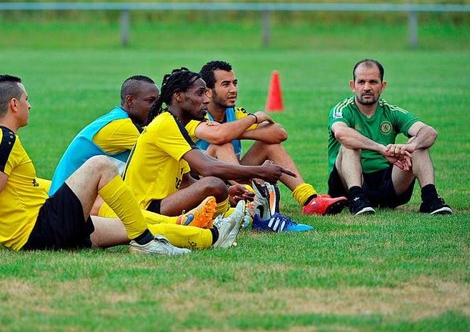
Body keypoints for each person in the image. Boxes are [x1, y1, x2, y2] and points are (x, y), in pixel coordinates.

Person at [0, 74, 243, 255]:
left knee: (132, 223)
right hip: (39, 229)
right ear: (14, 105)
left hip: (45, 228)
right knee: (100, 165)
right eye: (27, 100)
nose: (30, 106)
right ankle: (146, 243)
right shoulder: (3, 142)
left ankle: (211, 236)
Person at [112, 67, 299, 232]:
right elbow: (206, 168)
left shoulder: (177, 125)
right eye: (200, 93)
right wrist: (260, 171)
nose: (206, 100)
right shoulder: (165, 124)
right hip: (144, 209)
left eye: (207, 94)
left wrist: (231, 189)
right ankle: (243, 217)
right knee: (214, 184)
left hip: (160, 203)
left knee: (218, 187)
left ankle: (235, 215)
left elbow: (186, 181)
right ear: (178, 96)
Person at [195, 60, 347, 217]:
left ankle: (309, 200)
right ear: (208, 91)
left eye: (235, 83)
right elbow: (220, 136)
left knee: (270, 145)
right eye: (226, 84)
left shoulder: (236, 114)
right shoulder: (197, 115)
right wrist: (254, 119)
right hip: (202, 183)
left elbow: (280, 133)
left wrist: (237, 130)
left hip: (232, 176)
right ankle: (254, 200)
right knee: (223, 144)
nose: (233, 89)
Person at [327, 59, 452, 215]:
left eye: (373, 82)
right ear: (353, 86)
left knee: (419, 143)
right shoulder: (342, 109)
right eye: (361, 82)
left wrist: (411, 146)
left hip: (388, 182)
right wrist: (381, 149)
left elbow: (429, 132)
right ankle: (357, 200)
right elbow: (341, 133)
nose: (367, 87)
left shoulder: (391, 111)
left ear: (382, 86)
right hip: (348, 185)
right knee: (349, 145)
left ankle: (430, 199)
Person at [50, 75, 157, 195]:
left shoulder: (117, 118)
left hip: (70, 196)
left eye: (158, 102)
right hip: (69, 202)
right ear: (130, 101)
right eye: (150, 101)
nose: (156, 107)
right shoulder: (121, 126)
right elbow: (163, 152)